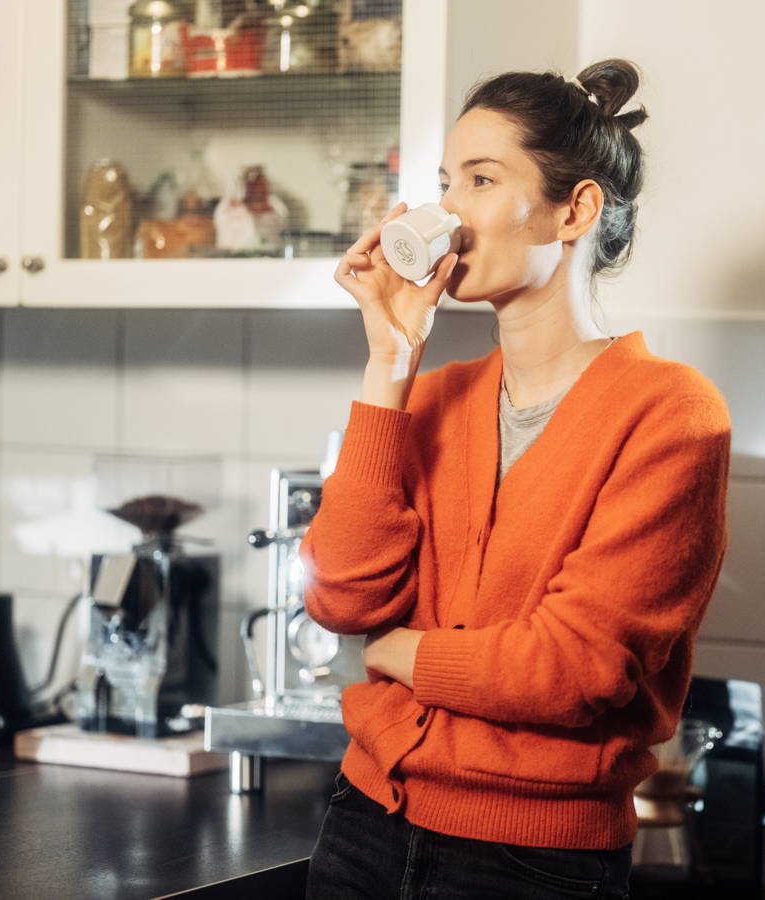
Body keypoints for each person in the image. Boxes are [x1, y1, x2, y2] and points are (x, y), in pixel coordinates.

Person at [300, 58, 730, 900]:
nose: (444, 214)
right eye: (443, 183)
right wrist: (389, 359)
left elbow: (571, 670)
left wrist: (395, 654)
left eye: (481, 180)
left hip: (534, 864)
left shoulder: (672, 414)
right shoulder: (428, 398)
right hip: (362, 827)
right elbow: (339, 599)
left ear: (574, 211)